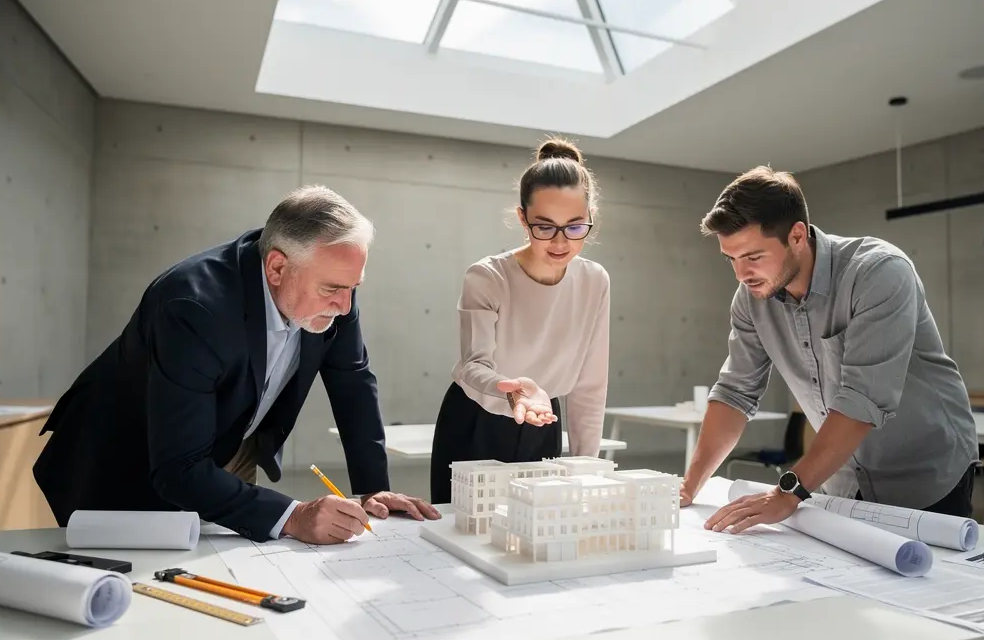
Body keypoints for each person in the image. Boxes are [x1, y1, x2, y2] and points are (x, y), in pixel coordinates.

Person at [681, 166, 978, 640]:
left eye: (753, 256)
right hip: (844, 477)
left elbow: (861, 401)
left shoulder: (879, 271)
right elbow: (735, 392)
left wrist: (789, 490)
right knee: (859, 630)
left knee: (922, 638)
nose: (741, 273)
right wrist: (690, 485)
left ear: (797, 234)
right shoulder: (752, 299)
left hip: (926, 468)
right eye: (731, 260)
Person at [33, 186, 440, 545]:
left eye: (353, 289)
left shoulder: (332, 286)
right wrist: (294, 515)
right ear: (277, 267)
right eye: (333, 289)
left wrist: (373, 490)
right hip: (124, 459)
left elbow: (352, 380)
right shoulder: (192, 307)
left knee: (232, 564)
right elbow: (178, 468)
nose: (346, 306)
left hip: (228, 441)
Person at [429, 138, 611, 504]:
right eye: (544, 226)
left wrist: (585, 466)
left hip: (543, 420)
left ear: (590, 219)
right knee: (462, 536)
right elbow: (472, 366)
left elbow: (590, 387)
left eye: (575, 228)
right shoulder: (488, 276)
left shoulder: (594, 280)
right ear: (522, 218)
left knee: (535, 536)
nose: (560, 242)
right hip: (476, 420)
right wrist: (510, 390)